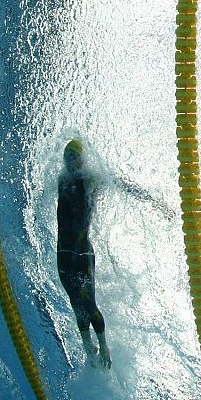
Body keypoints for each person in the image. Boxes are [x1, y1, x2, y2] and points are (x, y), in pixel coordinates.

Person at [58, 138, 111, 367]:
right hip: (62, 255)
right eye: (66, 157)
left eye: (74, 157)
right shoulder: (62, 181)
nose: (70, 161)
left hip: (82, 255)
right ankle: (87, 346)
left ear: (82, 159)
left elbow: (120, 185)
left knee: (89, 305)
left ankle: (104, 346)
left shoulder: (89, 180)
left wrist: (155, 203)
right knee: (76, 305)